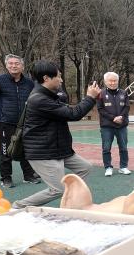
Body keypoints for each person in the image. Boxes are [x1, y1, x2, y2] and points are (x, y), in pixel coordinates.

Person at [12, 61, 100, 209]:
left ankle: (73, 201)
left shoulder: (49, 95)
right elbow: (73, 114)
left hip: (59, 148)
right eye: (58, 77)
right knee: (58, 189)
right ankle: (19, 206)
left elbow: (65, 105)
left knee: (85, 167)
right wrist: (90, 97)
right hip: (43, 152)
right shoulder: (39, 99)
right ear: (46, 78)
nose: (61, 80)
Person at [0, 54, 40, 188]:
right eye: (10, 63)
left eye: (17, 63)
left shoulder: (29, 83)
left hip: (25, 122)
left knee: (26, 150)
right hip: (6, 122)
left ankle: (28, 175)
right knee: (5, 151)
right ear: (6, 65)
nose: (13, 66)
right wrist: (2, 113)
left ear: (22, 66)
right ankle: (6, 178)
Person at [97, 71, 130, 176]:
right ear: (106, 82)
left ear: (118, 81)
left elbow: (127, 107)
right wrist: (113, 118)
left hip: (121, 125)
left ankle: (123, 167)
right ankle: (108, 167)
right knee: (106, 148)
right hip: (107, 126)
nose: (113, 83)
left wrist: (121, 117)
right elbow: (100, 109)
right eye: (110, 81)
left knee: (123, 147)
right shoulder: (101, 94)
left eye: (115, 80)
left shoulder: (123, 93)